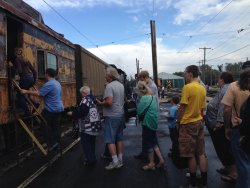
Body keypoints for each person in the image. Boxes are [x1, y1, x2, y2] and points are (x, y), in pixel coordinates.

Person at [177, 65, 207, 188]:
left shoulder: (187, 87)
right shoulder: (202, 88)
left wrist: (178, 122)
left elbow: (183, 107)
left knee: (190, 155)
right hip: (199, 122)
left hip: (187, 123)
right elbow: (202, 108)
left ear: (190, 73)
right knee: (200, 153)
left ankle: (193, 184)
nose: (184, 75)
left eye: (185, 73)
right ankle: (204, 183)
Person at [221, 61, 250, 188]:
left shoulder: (234, 86)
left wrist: (227, 127)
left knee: (242, 161)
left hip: (240, 129)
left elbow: (227, 109)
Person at [21, 68, 64, 152]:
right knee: (55, 127)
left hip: (51, 109)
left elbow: (39, 94)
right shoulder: (57, 83)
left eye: (45, 74)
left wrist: (26, 91)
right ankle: (58, 144)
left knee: (44, 125)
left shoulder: (49, 84)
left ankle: (52, 144)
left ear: (47, 74)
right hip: (59, 108)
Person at [205, 72, 237, 181]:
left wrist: (219, 122)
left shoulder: (225, 89)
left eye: (219, 79)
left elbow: (223, 107)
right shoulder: (228, 87)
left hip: (219, 126)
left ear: (222, 80)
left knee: (223, 147)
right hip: (220, 124)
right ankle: (228, 168)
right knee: (224, 147)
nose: (218, 81)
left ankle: (233, 173)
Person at [96, 66, 125, 170]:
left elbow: (109, 102)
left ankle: (115, 162)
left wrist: (100, 103)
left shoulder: (109, 86)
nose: (104, 76)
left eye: (106, 75)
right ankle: (120, 159)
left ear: (109, 75)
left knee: (110, 139)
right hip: (120, 115)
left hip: (111, 116)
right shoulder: (121, 85)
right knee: (119, 138)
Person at [67, 86, 101, 166]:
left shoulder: (85, 101)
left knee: (86, 144)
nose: (81, 95)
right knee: (92, 143)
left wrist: (72, 113)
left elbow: (82, 113)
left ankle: (90, 159)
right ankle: (92, 157)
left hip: (87, 126)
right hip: (95, 125)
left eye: (81, 93)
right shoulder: (93, 99)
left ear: (84, 93)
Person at [137, 81, 165, 170]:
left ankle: (151, 163)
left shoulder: (143, 99)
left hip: (147, 123)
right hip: (153, 122)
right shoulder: (152, 97)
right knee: (153, 142)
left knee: (149, 143)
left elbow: (139, 112)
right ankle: (161, 159)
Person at [134, 70, 159, 160]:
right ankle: (146, 153)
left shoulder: (151, 86)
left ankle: (153, 157)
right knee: (147, 136)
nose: (140, 81)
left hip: (148, 114)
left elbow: (149, 101)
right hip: (147, 114)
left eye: (141, 78)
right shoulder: (149, 85)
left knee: (150, 136)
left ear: (145, 77)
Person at [13, 47, 37, 115]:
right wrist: (34, 81)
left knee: (20, 96)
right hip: (31, 78)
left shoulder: (17, 59)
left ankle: (27, 112)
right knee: (24, 94)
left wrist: (14, 71)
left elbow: (20, 71)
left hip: (25, 79)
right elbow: (34, 71)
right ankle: (35, 104)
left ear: (16, 53)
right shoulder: (26, 59)